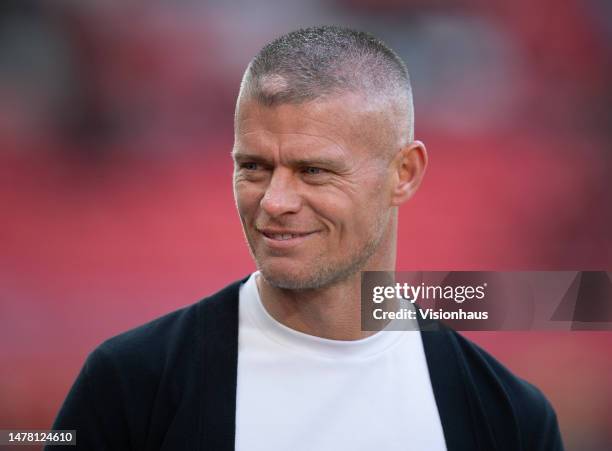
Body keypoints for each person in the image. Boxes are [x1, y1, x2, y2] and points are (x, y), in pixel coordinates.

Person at [48, 26, 564, 450]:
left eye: (314, 171)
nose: (274, 201)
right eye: (253, 166)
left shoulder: (509, 417)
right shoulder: (131, 384)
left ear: (404, 173)